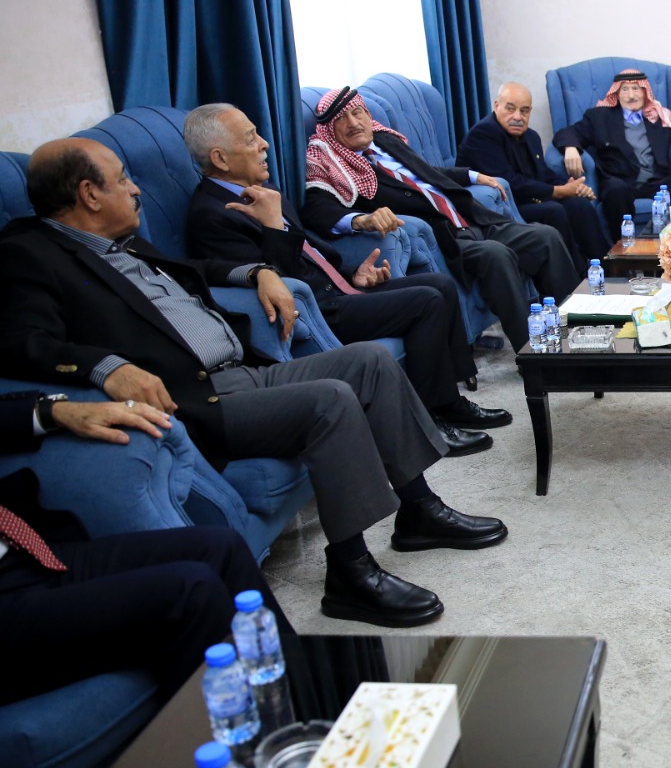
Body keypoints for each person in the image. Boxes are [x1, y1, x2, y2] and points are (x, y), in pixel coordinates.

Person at [0, 138, 509, 628]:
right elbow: (20, 341)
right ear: (89, 194)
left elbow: (195, 269)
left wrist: (258, 271)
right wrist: (104, 366)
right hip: (198, 400)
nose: (135, 189)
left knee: (370, 361)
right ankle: (350, 572)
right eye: (122, 180)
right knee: (330, 399)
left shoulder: (123, 245)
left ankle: (418, 510)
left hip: (243, 368)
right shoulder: (28, 254)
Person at [182, 103, 508, 456]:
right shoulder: (212, 216)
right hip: (317, 312)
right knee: (425, 302)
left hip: (337, 289)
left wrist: (353, 275)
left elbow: (306, 251)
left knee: (438, 284)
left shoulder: (263, 191)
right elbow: (278, 280)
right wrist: (274, 225)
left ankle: (450, 403)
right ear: (220, 158)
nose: (264, 144)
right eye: (250, 139)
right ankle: (430, 423)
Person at [0, 389, 298, 708]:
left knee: (221, 547)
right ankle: (250, 731)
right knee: (190, 590)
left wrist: (52, 412)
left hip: (23, 553)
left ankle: (308, 698)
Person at [300, 88, 578, 353]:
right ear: (330, 130)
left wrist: (472, 175)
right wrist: (361, 219)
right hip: (447, 238)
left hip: (472, 218)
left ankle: (578, 333)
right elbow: (316, 210)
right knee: (496, 254)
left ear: (367, 114)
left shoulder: (385, 141)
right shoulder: (334, 166)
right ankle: (533, 356)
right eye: (342, 119)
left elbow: (427, 172)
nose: (353, 123)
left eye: (357, 112)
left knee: (546, 236)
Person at [554, 69, 671, 239]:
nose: (631, 95)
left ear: (645, 92)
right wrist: (571, 147)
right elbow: (568, 133)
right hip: (621, 182)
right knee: (615, 189)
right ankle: (621, 248)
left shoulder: (658, 116)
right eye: (625, 89)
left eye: (636, 89)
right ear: (616, 94)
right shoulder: (600, 117)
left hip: (656, 183)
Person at [456, 82, 611, 264]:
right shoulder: (483, 134)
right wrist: (558, 191)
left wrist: (570, 186)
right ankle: (577, 272)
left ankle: (606, 265)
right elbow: (509, 182)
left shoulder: (531, 136)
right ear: (497, 106)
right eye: (510, 109)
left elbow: (543, 174)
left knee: (579, 205)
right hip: (501, 207)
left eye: (524, 111)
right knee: (554, 210)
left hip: (529, 199)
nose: (517, 117)